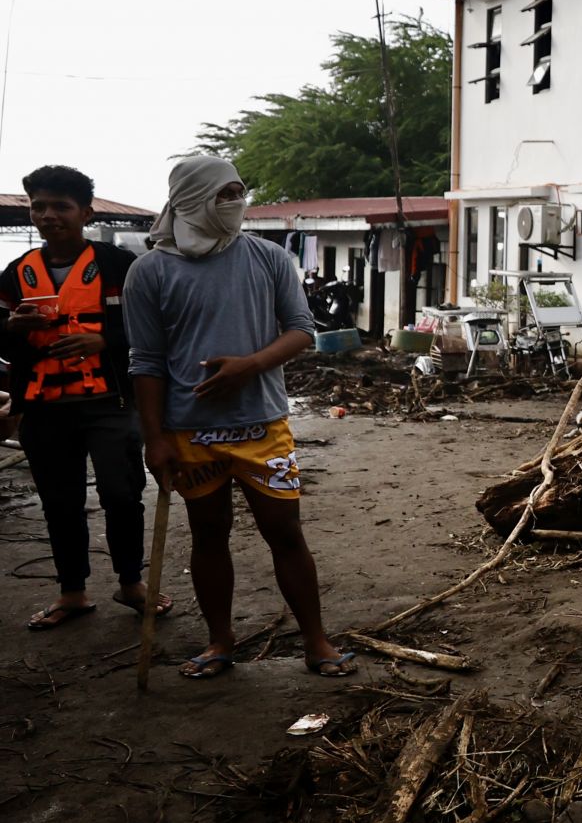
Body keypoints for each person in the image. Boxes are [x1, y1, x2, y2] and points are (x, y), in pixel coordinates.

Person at [123, 156, 354, 679]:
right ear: (189, 199)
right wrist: (153, 437)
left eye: (238, 192)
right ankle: (219, 641)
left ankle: (317, 642)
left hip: (262, 426)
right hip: (189, 432)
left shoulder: (268, 257)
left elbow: (300, 329)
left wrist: (251, 365)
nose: (236, 204)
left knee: (285, 531)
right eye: (222, 194)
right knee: (208, 534)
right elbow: (146, 361)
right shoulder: (150, 271)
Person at [0, 165, 169, 629]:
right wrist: (9, 328)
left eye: (61, 206)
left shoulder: (119, 267)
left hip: (109, 403)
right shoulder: (15, 275)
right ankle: (72, 592)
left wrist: (107, 341)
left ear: (85, 212)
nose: (48, 215)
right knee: (60, 501)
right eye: (39, 207)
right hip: (42, 408)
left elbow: (155, 330)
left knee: (121, 492)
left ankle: (131, 583)